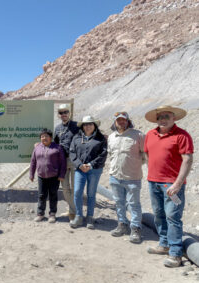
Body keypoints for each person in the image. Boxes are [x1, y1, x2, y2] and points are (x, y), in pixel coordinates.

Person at [144, 105, 194, 268]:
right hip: (153, 182)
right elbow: (147, 154)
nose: (163, 119)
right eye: (160, 117)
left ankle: (175, 253)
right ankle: (164, 244)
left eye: (166, 116)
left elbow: (187, 160)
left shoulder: (182, 135)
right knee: (158, 214)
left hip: (172, 185)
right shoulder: (150, 135)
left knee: (173, 217)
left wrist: (178, 183)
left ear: (174, 118)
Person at [108, 112, 145, 243]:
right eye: (118, 120)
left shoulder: (138, 135)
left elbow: (145, 155)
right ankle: (122, 224)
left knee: (134, 204)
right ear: (115, 122)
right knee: (119, 203)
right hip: (115, 176)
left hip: (132, 177)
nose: (121, 122)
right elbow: (110, 155)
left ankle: (135, 228)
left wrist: (133, 165)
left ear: (128, 121)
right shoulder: (111, 137)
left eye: (124, 120)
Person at [69, 116, 107, 229]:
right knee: (77, 192)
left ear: (94, 125)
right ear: (82, 126)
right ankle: (79, 216)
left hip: (94, 170)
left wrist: (90, 165)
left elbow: (103, 154)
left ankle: (90, 217)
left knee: (91, 194)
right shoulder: (76, 138)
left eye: (90, 124)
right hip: (80, 169)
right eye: (85, 124)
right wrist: (80, 165)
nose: (88, 126)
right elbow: (72, 153)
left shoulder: (101, 139)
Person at [29, 129, 66, 223]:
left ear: (50, 138)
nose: (44, 138)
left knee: (53, 195)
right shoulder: (37, 148)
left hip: (54, 176)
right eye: (42, 136)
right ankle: (40, 214)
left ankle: (52, 214)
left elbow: (63, 163)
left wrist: (61, 175)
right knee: (41, 195)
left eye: (46, 136)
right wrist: (31, 174)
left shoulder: (57, 148)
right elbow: (33, 161)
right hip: (41, 176)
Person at [54, 104, 79, 221]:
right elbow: (54, 145)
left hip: (74, 160)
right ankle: (73, 209)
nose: (63, 114)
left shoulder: (76, 126)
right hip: (62, 161)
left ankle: (73, 212)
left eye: (65, 112)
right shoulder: (57, 128)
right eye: (61, 112)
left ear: (69, 113)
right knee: (65, 188)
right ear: (59, 115)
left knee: (75, 187)